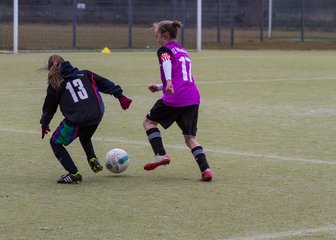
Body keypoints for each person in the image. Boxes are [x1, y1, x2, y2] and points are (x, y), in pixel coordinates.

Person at [40, 55, 132, 184]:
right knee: (85, 135)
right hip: (96, 115)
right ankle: (92, 159)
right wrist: (121, 96)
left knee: (55, 142)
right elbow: (106, 84)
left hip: (77, 119)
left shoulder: (55, 85)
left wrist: (45, 124)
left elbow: (49, 109)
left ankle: (74, 173)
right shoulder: (86, 74)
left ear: (51, 69)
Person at [143, 20, 213, 181]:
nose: (157, 40)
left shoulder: (164, 50)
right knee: (190, 138)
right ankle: (206, 170)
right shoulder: (183, 51)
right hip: (193, 96)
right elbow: (181, 76)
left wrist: (167, 82)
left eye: (157, 36)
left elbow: (167, 62)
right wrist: (160, 86)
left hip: (176, 97)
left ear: (165, 35)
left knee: (148, 123)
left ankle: (160, 154)